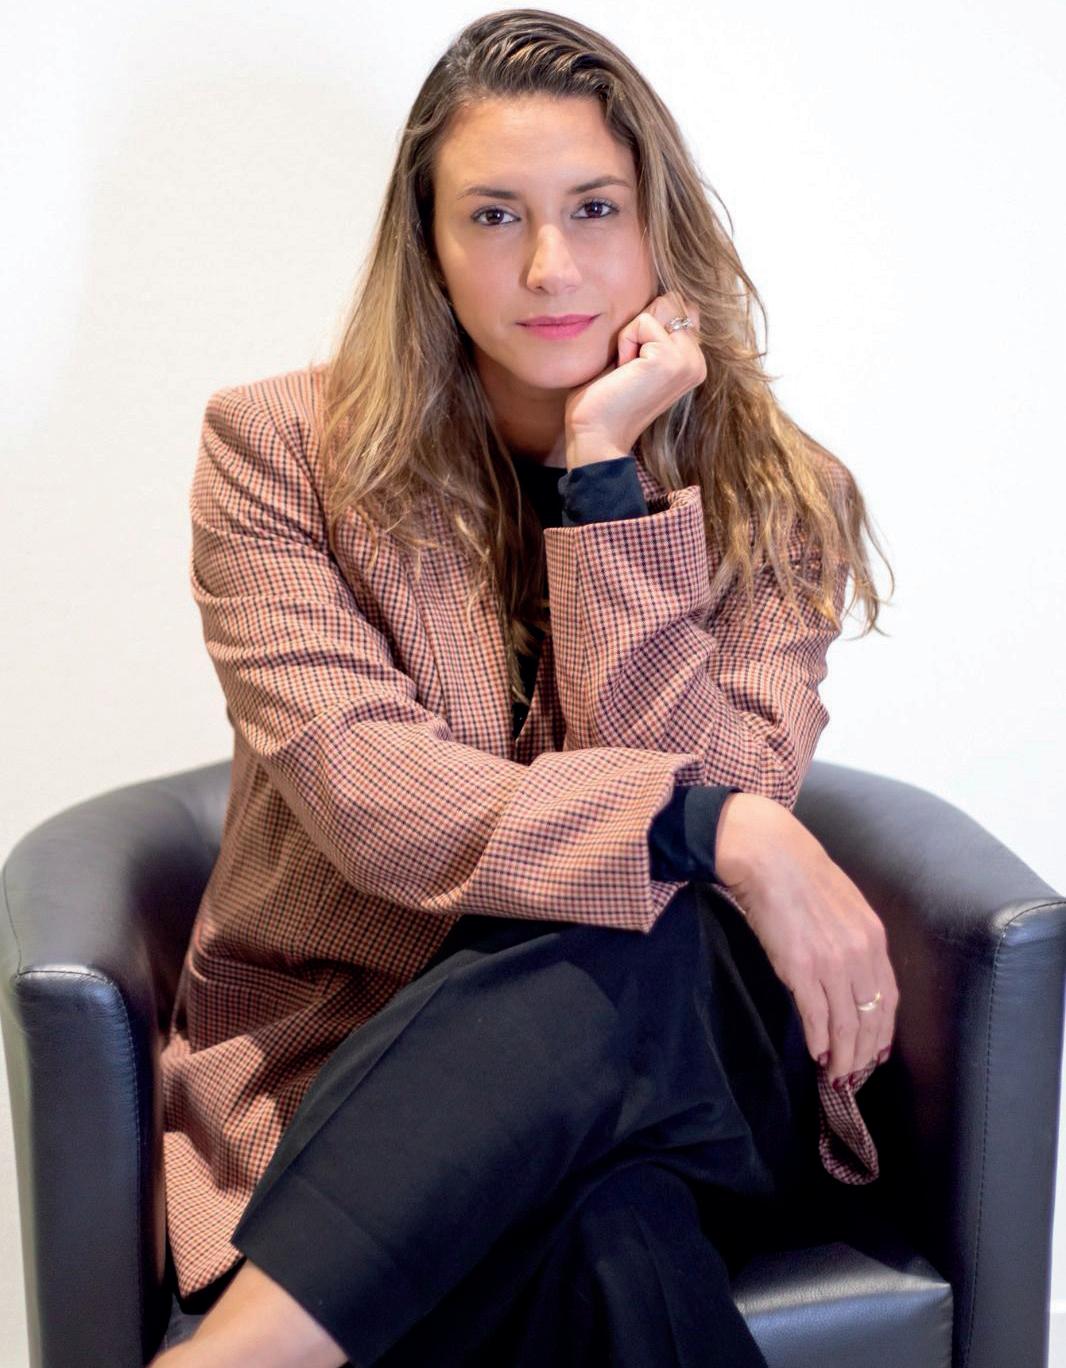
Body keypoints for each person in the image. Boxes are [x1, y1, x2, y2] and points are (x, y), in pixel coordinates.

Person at [151, 9, 899, 1366]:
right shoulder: (276, 454)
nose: (550, 266)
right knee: (613, 1236)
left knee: (645, 913)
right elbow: (375, 799)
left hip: (684, 1050)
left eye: (594, 209)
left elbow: (693, 821)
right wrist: (710, 826)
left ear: (658, 225)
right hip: (361, 1058)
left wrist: (603, 479)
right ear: (429, 245)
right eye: (494, 216)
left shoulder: (781, 495)